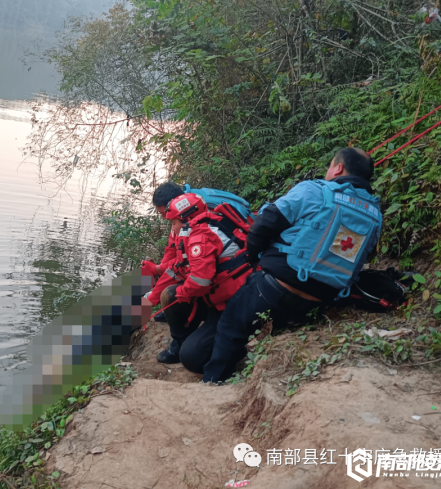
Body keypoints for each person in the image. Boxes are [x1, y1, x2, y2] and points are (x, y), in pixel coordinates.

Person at [203, 148, 383, 383]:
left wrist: (255, 258)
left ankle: (213, 381)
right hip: (322, 299)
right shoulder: (376, 214)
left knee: (231, 325)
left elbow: (265, 223)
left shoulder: (314, 191)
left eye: (330, 165)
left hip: (275, 285)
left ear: (338, 168)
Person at [150, 193, 252, 373]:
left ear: (186, 219)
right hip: (216, 295)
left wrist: (181, 293)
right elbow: (181, 265)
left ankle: (231, 350)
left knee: (192, 359)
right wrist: (158, 272)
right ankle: (182, 342)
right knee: (170, 295)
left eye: (173, 223)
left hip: (230, 304)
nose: (172, 229)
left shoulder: (200, 237)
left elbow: (200, 281)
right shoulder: (200, 229)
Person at [141, 182, 184, 322]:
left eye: (164, 213)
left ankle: (179, 327)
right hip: (191, 270)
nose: (164, 218)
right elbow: (171, 251)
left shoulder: (191, 228)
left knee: (170, 292)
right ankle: (168, 310)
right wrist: (158, 270)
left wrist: (151, 299)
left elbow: (179, 267)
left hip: (217, 280)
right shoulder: (178, 220)